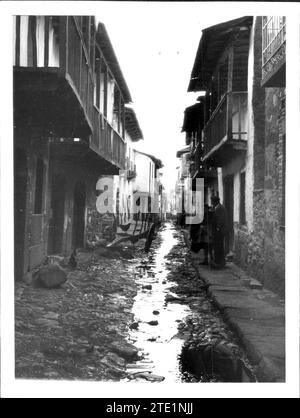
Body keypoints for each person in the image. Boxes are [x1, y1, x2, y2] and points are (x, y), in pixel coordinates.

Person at [210, 196, 228, 268]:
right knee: (218, 246)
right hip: (218, 231)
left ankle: (219, 262)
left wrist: (218, 228)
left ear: (215, 201)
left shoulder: (219, 208)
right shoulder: (218, 207)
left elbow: (220, 219)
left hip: (219, 232)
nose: (211, 203)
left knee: (219, 247)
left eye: (212, 201)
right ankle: (219, 262)